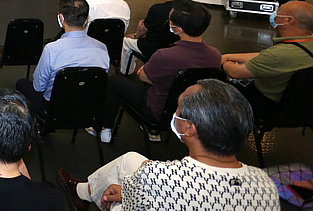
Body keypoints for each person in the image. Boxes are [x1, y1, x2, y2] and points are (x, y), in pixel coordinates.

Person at [59, 80, 280, 211]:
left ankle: (82, 192)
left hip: (149, 190)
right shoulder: (266, 186)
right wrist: (127, 192)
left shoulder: (159, 176)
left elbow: (138, 194)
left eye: (178, 108)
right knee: (129, 161)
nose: (175, 114)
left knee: (112, 198)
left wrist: (125, 194)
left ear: (190, 129)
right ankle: (83, 192)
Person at [89, 0, 221, 143]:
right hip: (191, 113)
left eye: (170, 21)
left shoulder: (165, 55)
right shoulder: (215, 55)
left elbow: (144, 77)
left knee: (114, 82)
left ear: (178, 29)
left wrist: (147, 69)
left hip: (158, 110)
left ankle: (104, 129)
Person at [16, 0, 109, 117]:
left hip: (54, 109)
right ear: (86, 20)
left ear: (61, 18)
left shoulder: (51, 50)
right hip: (87, 108)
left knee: (22, 84)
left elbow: (38, 87)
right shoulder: (102, 48)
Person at [221, 0, 313, 121]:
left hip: (268, 106)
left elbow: (235, 72)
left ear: (288, 20)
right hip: (302, 109)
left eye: (279, 10)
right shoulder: (303, 44)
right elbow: (264, 57)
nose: (275, 13)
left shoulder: (278, 54)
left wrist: (224, 62)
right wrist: (229, 56)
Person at [120, 0, 184, 75]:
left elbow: (144, 28)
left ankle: (126, 71)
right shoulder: (187, 7)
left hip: (154, 47)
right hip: (177, 46)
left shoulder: (157, 9)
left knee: (126, 41)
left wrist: (136, 36)